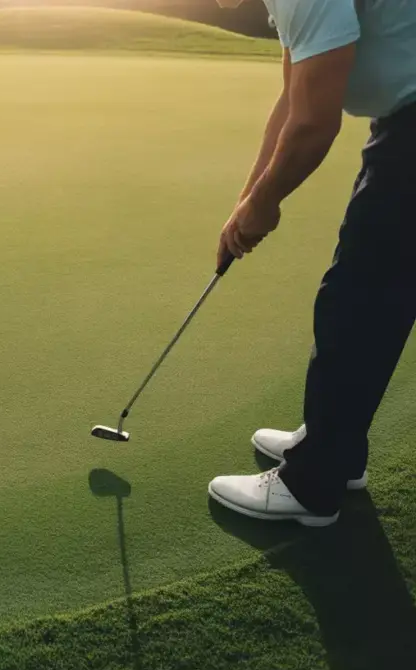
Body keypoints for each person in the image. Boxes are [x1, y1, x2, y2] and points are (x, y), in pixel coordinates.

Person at [207, 0, 416, 526]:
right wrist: (246, 204)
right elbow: (291, 99)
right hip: (401, 122)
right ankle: (335, 451)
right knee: (372, 297)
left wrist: (264, 206)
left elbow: (313, 124)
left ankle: (311, 485)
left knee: (354, 300)